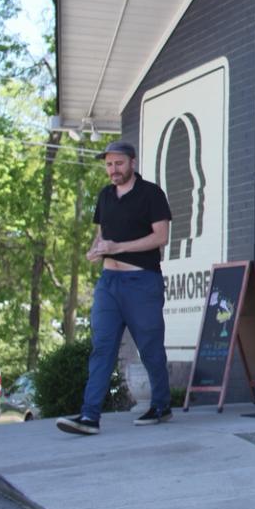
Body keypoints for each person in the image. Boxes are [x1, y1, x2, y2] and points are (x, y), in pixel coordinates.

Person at [58, 140, 175, 435]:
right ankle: (89, 416)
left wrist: (118, 247)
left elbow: (161, 237)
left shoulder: (151, 194)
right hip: (108, 283)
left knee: (150, 349)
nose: (113, 170)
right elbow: (101, 237)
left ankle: (161, 405)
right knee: (102, 348)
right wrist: (94, 251)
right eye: (109, 164)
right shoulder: (105, 196)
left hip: (142, 282)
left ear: (132, 163)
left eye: (119, 164)